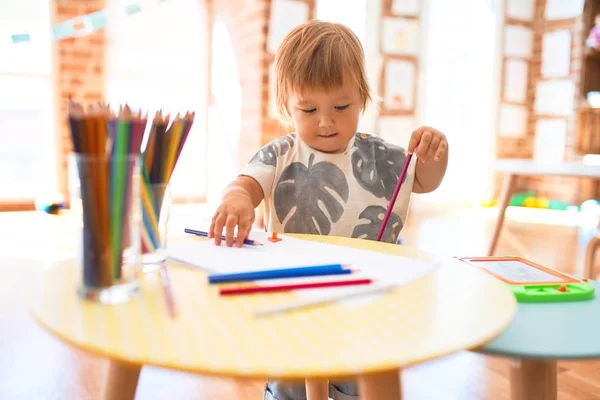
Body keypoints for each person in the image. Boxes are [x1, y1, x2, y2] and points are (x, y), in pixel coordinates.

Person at [209, 20, 448, 400]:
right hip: (295, 303)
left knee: (361, 380)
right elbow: (246, 184)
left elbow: (424, 180)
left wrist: (435, 153)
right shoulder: (280, 153)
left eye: (341, 105)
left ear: (363, 98)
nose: (325, 120)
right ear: (287, 107)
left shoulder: (382, 158)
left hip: (368, 304)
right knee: (292, 383)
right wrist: (236, 199)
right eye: (308, 108)